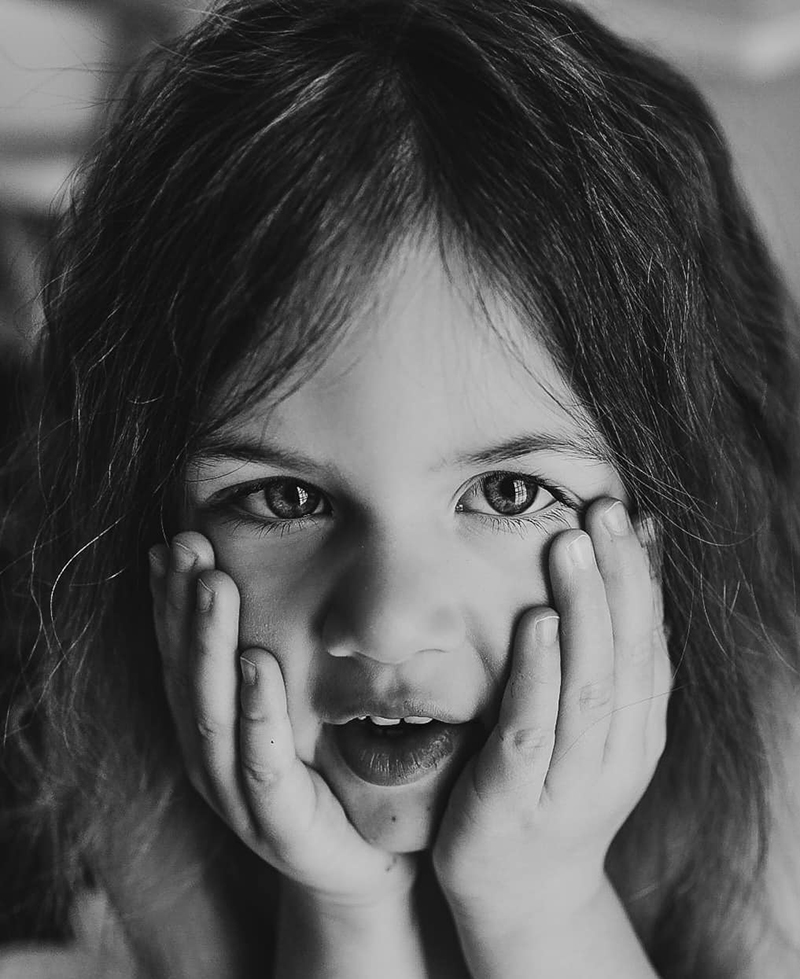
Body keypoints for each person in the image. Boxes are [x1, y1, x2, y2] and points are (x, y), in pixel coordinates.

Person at [1, 0, 799, 975]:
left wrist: (540, 901)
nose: (385, 624)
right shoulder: (110, 811)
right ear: (151, 530)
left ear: (673, 518)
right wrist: (340, 907)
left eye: (507, 491)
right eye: (285, 500)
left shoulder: (770, 808)